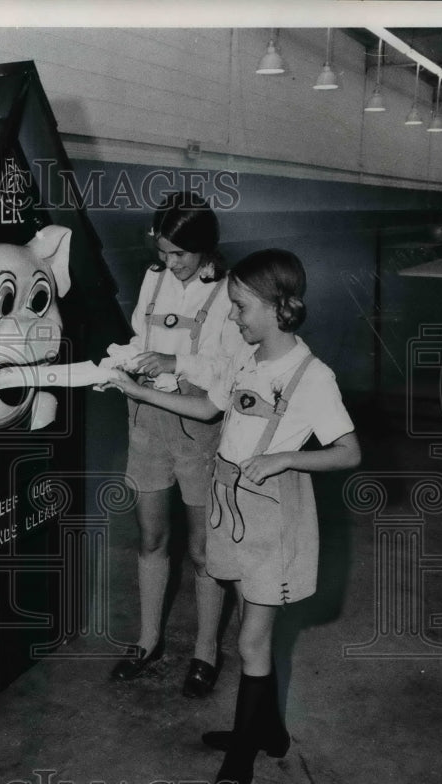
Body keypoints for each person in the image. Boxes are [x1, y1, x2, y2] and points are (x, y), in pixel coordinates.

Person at [107, 248, 361, 784]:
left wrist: (288, 457)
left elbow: (348, 452)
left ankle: (239, 763)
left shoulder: (311, 376)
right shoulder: (246, 361)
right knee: (254, 626)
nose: (234, 318)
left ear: (275, 308)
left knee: (250, 640)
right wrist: (135, 390)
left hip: (273, 515)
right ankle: (268, 731)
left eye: (241, 308)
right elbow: (206, 409)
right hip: (232, 505)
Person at [106, 192, 250, 696]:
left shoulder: (229, 293)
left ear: (205, 248)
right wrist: (122, 361)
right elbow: (138, 338)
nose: (170, 264)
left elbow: (222, 374)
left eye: (180, 255)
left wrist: (173, 364)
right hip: (146, 421)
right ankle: (148, 641)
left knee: (203, 549)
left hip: (196, 427)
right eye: (163, 253)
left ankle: (205, 651)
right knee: (150, 538)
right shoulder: (153, 279)